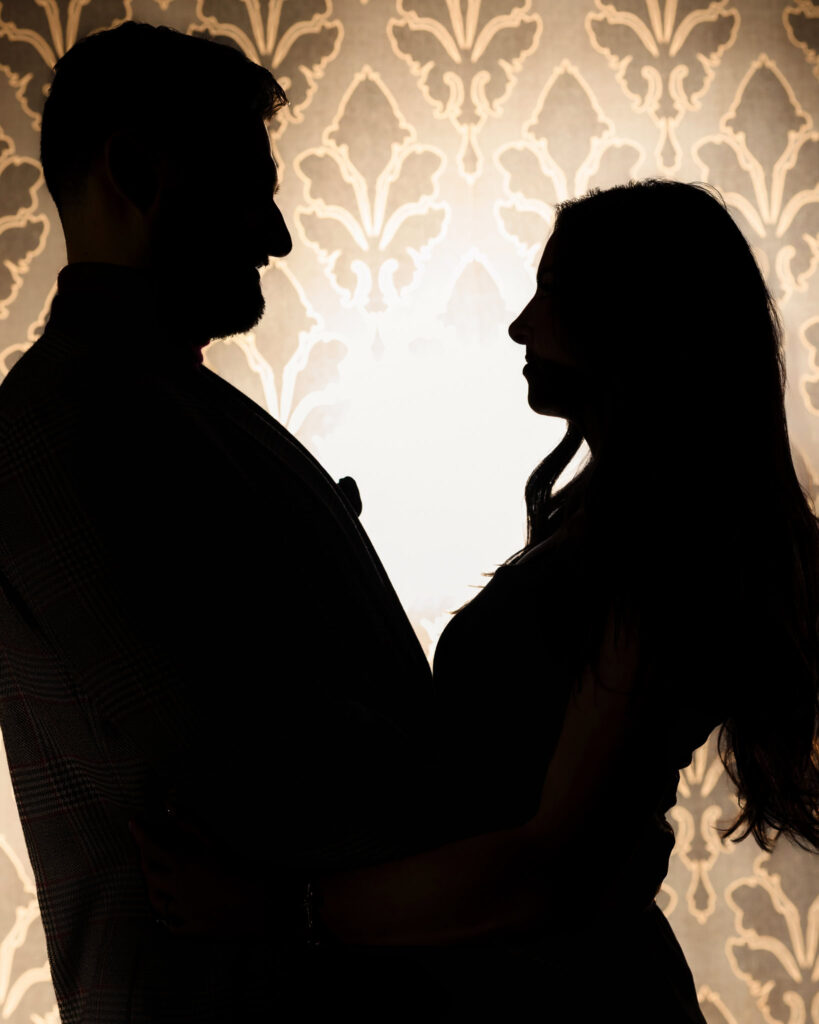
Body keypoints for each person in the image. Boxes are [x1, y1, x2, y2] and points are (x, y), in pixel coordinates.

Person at [133, 179, 819, 1022]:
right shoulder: (605, 526)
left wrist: (276, 908)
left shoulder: (664, 553)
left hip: (574, 997)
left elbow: (546, 870)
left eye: (552, 296)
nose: (518, 326)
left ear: (636, 320)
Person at [0, 20, 456, 1023]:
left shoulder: (167, 406)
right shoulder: (61, 432)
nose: (278, 234)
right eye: (251, 186)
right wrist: (499, 824)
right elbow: (237, 763)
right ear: (135, 169)